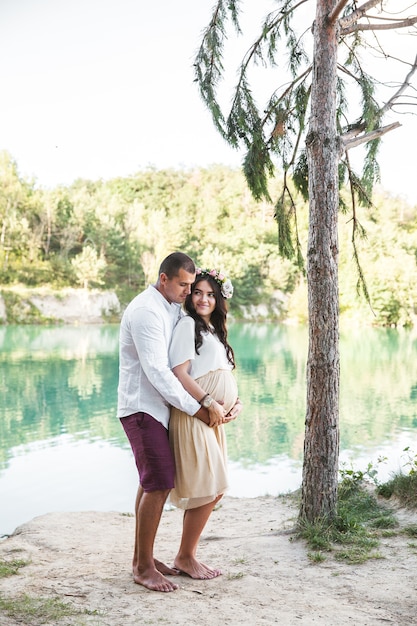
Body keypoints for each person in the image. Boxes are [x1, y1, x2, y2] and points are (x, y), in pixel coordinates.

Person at [117, 252, 242, 593]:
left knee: (150, 482)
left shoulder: (172, 307)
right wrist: (202, 406)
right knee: (157, 482)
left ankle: (144, 557)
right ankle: (142, 567)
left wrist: (228, 400)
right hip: (143, 408)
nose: (190, 293)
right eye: (185, 285)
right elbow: (160, 372)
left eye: (195, 287)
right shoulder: (146, 311)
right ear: (164, 280)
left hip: (165, 409)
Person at [168, 267, 241, 579]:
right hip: (195, 415)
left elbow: (221, 373)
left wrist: (235, 402)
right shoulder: (187, 326)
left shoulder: (214, 330)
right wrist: (209, 402)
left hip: (214, 419)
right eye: (197, 292)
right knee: (209, 488)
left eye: (210, 294)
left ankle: (186, 555)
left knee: (212, 488)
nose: (203, 298)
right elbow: (180, 373)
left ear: (219, 299)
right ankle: (185, 557)